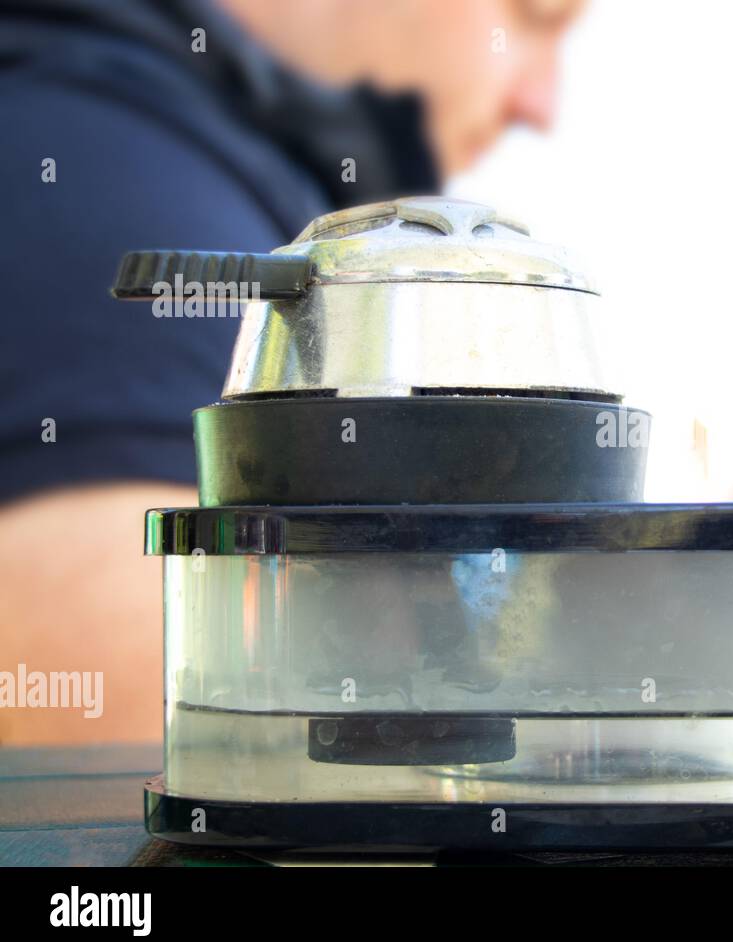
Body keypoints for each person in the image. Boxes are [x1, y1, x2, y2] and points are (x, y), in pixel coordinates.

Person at [0, 0, 585, 745]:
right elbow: (138, 755)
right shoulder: (112, 169)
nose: (544, 103)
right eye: (538, 14)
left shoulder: (202, 154)